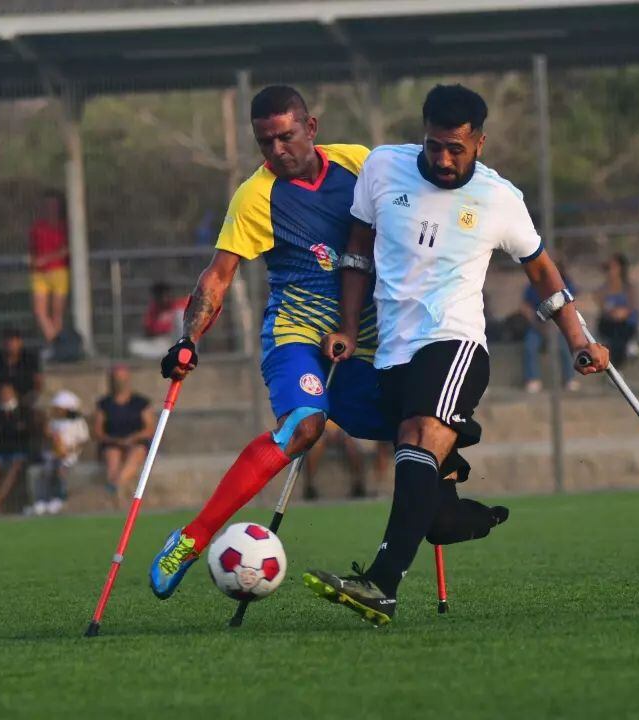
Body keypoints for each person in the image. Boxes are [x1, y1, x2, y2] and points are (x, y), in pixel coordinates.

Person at [150, 85, 507, 600]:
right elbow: (218, 276)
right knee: (304, 426)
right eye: (264, 142)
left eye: (285, 137)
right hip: (298, 335)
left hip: (367, 340)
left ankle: (442, 510)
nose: (276, 151)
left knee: (422, 430)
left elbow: (422, 188)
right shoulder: (256, 196)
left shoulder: (360, 164)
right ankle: (192, 537)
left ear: (311, 128)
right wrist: (188, 340)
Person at [307, 83, 609, 625]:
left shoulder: (500, 199)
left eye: (457, 150)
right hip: (391, 354)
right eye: (435, 146)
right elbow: (356, 249)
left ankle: (381, 584)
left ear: (481, 143)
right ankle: (466, 513)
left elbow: (542, 271)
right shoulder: (381, 168)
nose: (444, 160)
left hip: (455, 343)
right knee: (433, 509)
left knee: (418, 436)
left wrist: (577, 338)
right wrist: (348, 327)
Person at [93, 365, 153, 503]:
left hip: (136, 441)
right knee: (112, 455)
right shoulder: (104, 404)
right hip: (113, 441)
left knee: (137, 452)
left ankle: (115, 486)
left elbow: (149, 429)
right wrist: (116, 440)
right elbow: (98, 431)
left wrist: (133, 438)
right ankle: (117, 493)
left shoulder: (141, 403)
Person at [0, 381, 36, 513]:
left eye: (8, 392)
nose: (5, 395)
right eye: (3, 393)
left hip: (18, 451)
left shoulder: (24, 411)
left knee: (16, 465)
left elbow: (27, 432)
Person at [521, 269, 577, 393]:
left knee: (567, 344)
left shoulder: (565, 284)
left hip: (560, 327)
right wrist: (538, 325)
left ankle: (570, 378)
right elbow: (526, 307)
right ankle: (533, 379)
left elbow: (572, 306)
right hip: (538, 326)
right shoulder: (534, 285)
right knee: (530, 345)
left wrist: (558, 325)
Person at [36, 390, 90, 516]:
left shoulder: (78, 422)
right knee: (47, 471)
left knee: (61, 470)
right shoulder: (54, 422)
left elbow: (82, 441)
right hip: (54, 455)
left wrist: (70, 449)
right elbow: (48, 437)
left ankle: (59, 498)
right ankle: (44, 499)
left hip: (70, 456)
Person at [29, 189, 70, 350]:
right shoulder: (37, 227)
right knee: (40, 312)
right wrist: (34, 261)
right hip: (39, 274)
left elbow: (66, 249)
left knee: (56, 313)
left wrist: (46, 259)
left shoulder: (64, 226)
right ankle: (55, 343)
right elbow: (33, 249)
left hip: (59, 271)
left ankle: (56, 346)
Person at [596, 253, 639, 368]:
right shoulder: (603, 289)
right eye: (608, 268)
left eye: (613, 267)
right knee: (613, 333)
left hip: (625, 324)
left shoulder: (629, 288)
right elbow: (603, 306)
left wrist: (623, 313)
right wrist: (612, 313)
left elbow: (631, 306)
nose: (610, 271)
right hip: (610, 323)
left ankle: (619, 364)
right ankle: (616, 367)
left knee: (620, 334)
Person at [303, 420, 366, 500]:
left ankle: (358, 484)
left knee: (352, 447)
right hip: (322, 429)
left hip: (344, 429)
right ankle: (309, 485)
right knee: (316, 447)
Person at [0, 327, 42, 407]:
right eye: (7, 341)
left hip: (25, 399)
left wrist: (26, 399)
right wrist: (0, 398)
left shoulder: (30, 359)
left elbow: (38, 382)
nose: (10, 344)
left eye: (13, 341)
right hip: (0, 400)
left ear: (20, 342)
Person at [128, 282, 186, 359]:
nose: (163, 299)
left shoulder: (179, 305)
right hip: (162, 343)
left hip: (180, 342)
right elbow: (148, 332)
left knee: (180, 314)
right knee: (133, 346)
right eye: (159, 296)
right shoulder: (153, 310)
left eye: (166, 295)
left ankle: (184, 354)